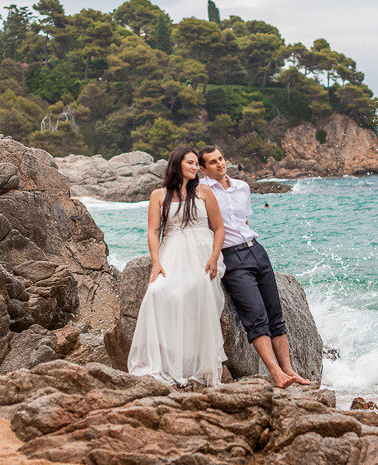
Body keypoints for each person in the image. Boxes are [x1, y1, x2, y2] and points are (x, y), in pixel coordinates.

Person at [198, 146, 311, 388]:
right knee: (256, 317)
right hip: (231, 258)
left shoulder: (242, 187)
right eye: (213, 162)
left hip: (257, 250)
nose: (220, 164)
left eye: (221, 158)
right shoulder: (202, 192)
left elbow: (244, 220)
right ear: (203, 169)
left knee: (275, 314)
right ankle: (276, 374)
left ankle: (290, 370)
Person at [127, 146, 227, 386]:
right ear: (177, 165)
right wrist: (156, 262)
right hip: (172, 253)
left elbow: (219, 228)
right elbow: (153, 232)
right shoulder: (158, 195)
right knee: (157, 291)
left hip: (202, 253)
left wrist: (214, 258)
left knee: (197, 287)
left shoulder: (203, 191)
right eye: (190, 163)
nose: (195, 168)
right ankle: (162, 361)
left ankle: (197, 362)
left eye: (196, 164)